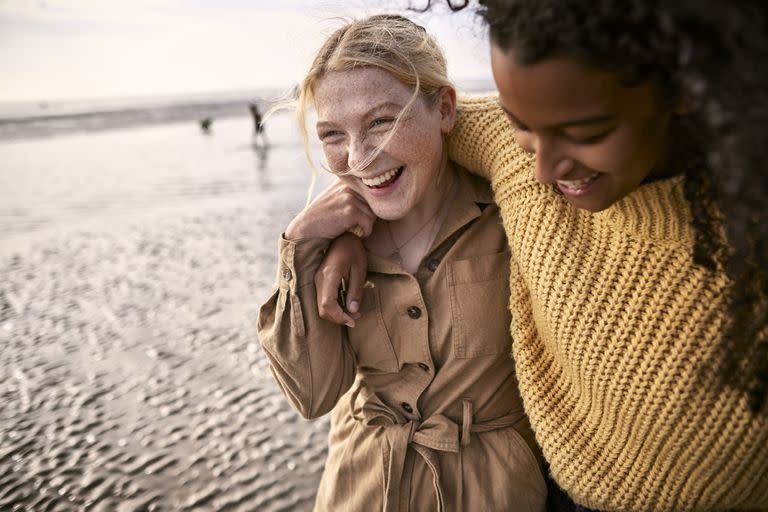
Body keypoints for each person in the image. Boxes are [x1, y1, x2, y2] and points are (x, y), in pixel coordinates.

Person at [314, 1, 768, 511]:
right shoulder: (512, 150)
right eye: (521, 125)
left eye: (586, 133)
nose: (545, 171)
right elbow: (388, 142)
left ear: (685, 90)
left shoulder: (750, 237)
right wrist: (351, 229)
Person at [257, 14, 547, 512]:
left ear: (446, 110)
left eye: (382, 121)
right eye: (332, 134)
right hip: (360, 490)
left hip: (494, 493)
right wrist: (300, 243)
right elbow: (312, 395)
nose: (359, 156)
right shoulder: (324, 243)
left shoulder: (514, 211)